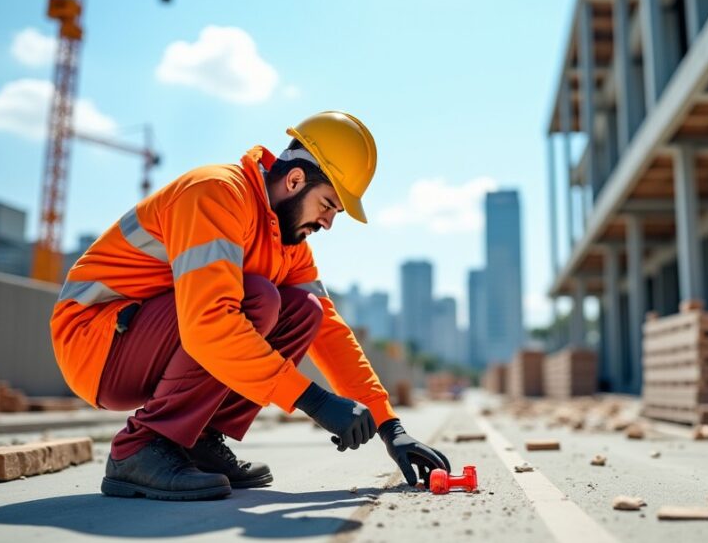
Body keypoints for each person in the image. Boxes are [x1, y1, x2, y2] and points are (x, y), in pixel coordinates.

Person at [50, 111, 450, 501]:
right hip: (98, 341)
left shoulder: (287, 243)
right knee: (257, 297)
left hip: (145, 336)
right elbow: (209, 325)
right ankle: (140, 448)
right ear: (295, 180)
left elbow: (328, 330)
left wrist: (389, 426)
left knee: (304, 309)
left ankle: (197, 440)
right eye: (328, 205)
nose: (328, 223)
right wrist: (314, 399)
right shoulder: (216, 193)